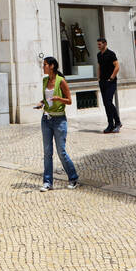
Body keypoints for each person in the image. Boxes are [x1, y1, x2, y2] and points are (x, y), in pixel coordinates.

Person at [36, 56, 78, 191]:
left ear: (52, 66)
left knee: (61, 152)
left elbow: (69, 100)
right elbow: (45, 98)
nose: (43, 67)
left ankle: (73, 177)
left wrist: (58, 98)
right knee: (47, 152)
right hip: (46, 119)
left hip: (59, 120)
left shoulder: (61, 81)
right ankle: (47, 182)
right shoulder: (44, 81)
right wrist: (41, 103)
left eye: (45, 65)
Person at [95, 37, 122, 134]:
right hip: (102, 81)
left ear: (105, 44)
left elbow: (117, 66)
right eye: (97, 44)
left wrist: (111, 78)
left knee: (109, 102)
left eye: (100, 44)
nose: (98, 46)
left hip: (110, 81)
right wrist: (98, 78)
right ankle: (110, 124)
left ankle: (118, 123)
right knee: (106, 104)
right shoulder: (99, 55)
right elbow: (99, 67)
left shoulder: (111, 54)